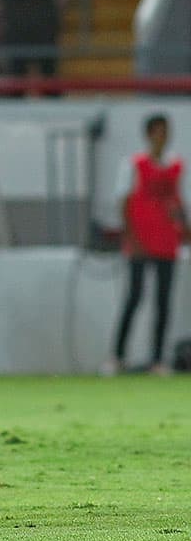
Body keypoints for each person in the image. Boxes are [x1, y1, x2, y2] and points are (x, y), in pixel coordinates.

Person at [103, 115, 187, 376]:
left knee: (163, 302)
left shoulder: (175, 166)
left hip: (166, 241)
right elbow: (124, 203)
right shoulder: (134, 165)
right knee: (134, 298)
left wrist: (185, 229)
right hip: (140, 241)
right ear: (149, 134)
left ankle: (157, 359)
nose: (162, 137)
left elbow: (176, 203)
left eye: (166, 132)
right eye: (158, 132)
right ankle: (117, 356)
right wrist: (131, 238)